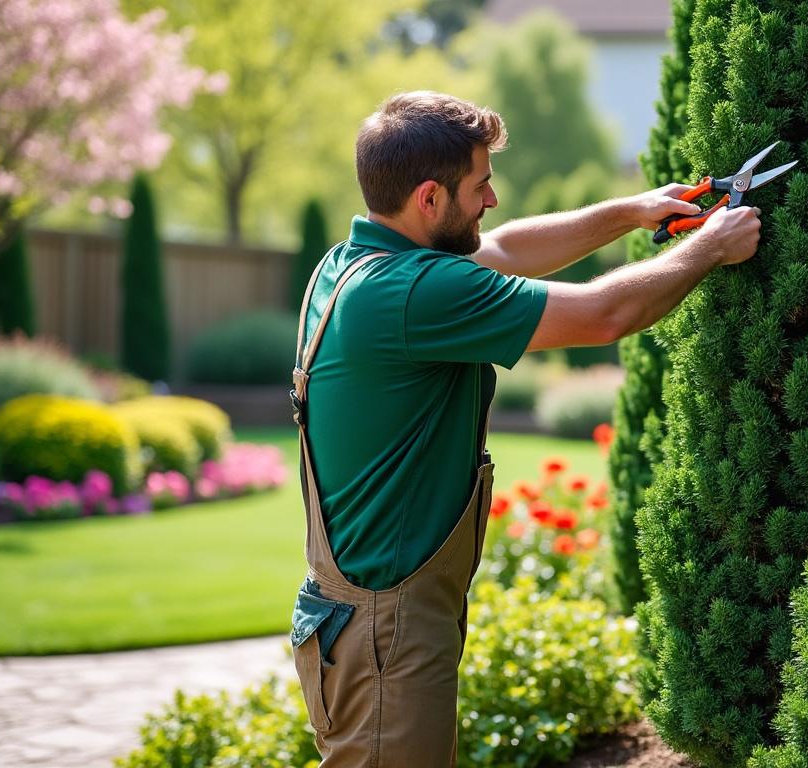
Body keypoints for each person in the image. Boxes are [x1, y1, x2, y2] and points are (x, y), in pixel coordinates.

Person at [289, 90, 761, 767]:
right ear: (428, 199)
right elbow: (605, 317)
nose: (493, 199)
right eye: (480, 185)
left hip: (360, 619)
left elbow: (506, 247)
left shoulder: (355, 266)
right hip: (384, 629)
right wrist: (709, 249)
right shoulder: (415, 295)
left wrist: (635, 210)